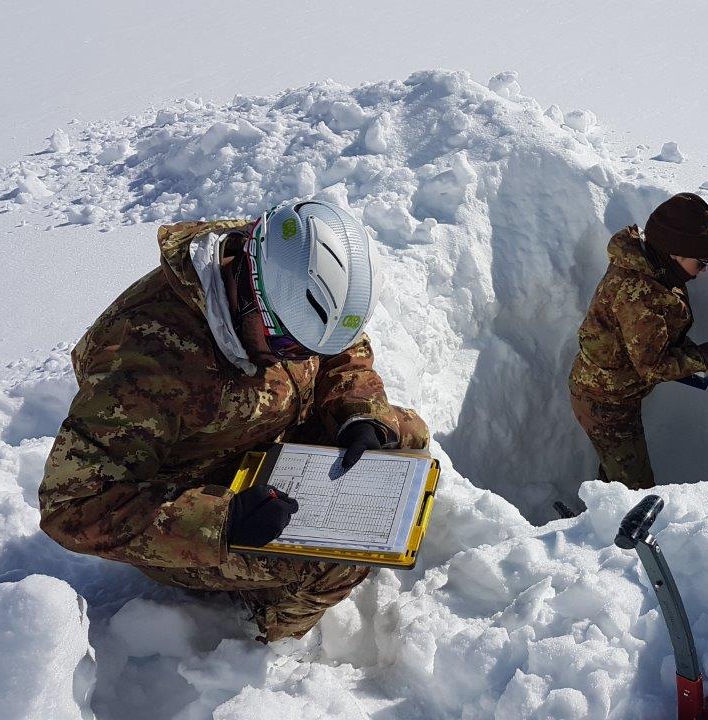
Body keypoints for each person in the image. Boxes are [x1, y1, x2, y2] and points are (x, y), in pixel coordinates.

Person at [38, 200, 429, 642]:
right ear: (248, 294)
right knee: (333, 559)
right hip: (198, 496)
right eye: (289, 347)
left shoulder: (281, 263)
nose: (296, 360)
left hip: (266, 442)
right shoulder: (145, 364)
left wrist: (358, 413)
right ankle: (264, 632)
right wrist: (222, 520)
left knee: (403, 439)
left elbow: (338, 348)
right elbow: (72, 504)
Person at [568, 192, 708, 489]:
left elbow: (657, 338)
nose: (704, 271)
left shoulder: (655, 268)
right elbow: (655, 367)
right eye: (701, 262)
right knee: (634, 490)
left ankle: (601, 504)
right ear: (675, 254)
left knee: (619, 476)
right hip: (605, 402)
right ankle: (604, 515)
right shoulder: (641, 295)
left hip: (617, 389)